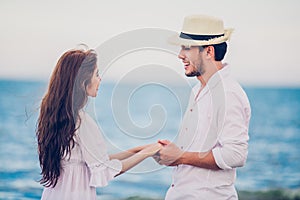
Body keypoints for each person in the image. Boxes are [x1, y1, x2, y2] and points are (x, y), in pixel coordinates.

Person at [36, 48, 162, 199]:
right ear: (83, 81)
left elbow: (91, 160)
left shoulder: (55, 116)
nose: (99, 79)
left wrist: (137, 150)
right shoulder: (81, 121)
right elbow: (105, 169)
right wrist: (148, 152)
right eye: (96, 74)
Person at [154, 15, 251, 199]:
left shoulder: (228, 94)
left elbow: (235, 155)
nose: (180, 55)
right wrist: (174, 152)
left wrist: (180, 156)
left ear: (209, 52)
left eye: (187, 48)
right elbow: (199, 147)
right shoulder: (198, 90)